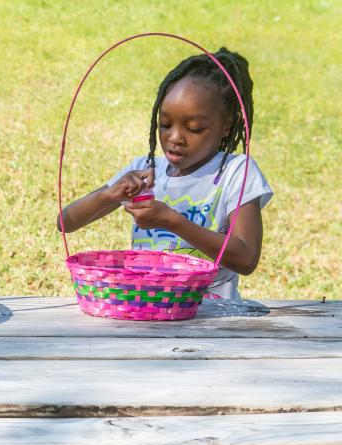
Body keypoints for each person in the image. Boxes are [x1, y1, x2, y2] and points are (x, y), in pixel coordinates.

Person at [60, 47, 272, 299]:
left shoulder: (236, 172)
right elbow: (65, 222)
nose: (174, 138)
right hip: (148, 310)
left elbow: (246, 258)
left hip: (212, 320)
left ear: (226, 125)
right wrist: (110, 195)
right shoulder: (145, 170)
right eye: (165, 124)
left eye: (194, 128)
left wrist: (172, 221)